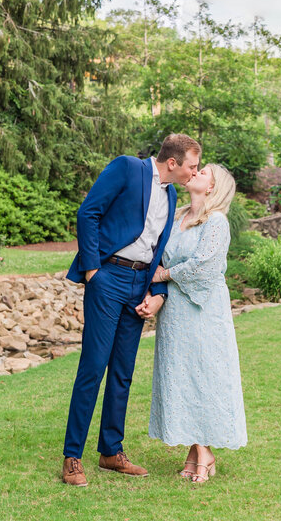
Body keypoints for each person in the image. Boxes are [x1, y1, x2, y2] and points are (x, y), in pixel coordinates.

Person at [60, 134, 202, 487]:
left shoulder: (170, 195)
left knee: (123, 372)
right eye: (192, 166)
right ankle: (72, 457)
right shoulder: (127, 168)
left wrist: (157, 292)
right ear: (173, 163)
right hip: (108, 277)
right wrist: (93, 270)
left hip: (139, 286)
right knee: (93, 368)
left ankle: (111, 451)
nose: (194, 173)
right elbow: (88, 212)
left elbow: (159, 251)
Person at [146, 163, 247, 483]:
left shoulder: (216, 221)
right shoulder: (177, 217)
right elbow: (159, 253)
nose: (196, 173)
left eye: (204, 173)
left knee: (204, 375)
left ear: (212, 188)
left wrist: (165, 275)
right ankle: (197, 450)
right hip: (175, 312)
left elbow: (205, 265)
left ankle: (204, 452)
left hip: (204, 310)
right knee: (181, 377)